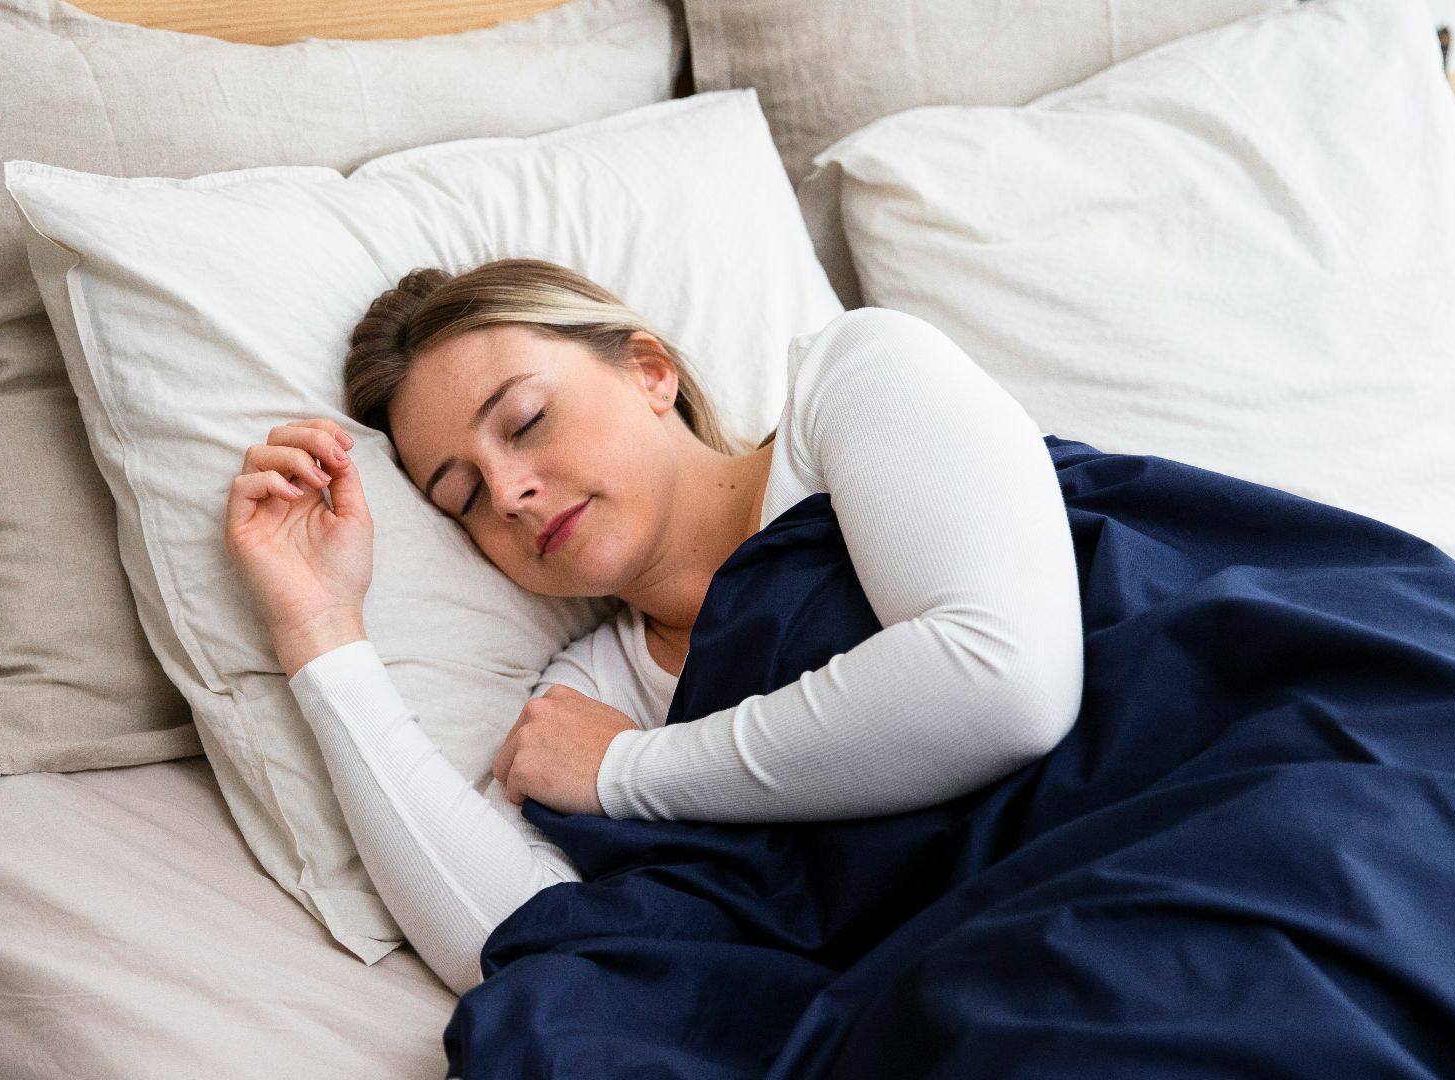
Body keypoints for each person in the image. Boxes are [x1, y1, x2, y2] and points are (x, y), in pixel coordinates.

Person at [223, 258, 1085, 995]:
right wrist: (322, 633)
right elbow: (511, 941)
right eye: (466, 497)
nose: (512, 493)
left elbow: (1010, 684)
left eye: (526, 422)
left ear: (649, 370)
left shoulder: (855, 382)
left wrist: (626, 770)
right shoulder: (588, 694)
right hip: (987, 955)